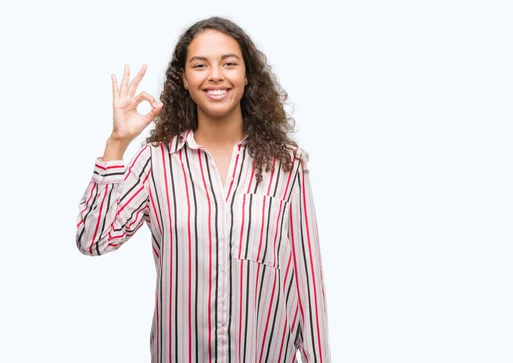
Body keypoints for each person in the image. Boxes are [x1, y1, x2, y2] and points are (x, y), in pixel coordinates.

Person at [75, 17, 331, 363]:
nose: (215, 75)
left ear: (246, 75)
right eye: (200, 65)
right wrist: (118, 143)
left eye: (229, 63)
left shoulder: (286, 165)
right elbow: (93, 240)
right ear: (184, 78)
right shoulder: (156, 162)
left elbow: (306, 283)